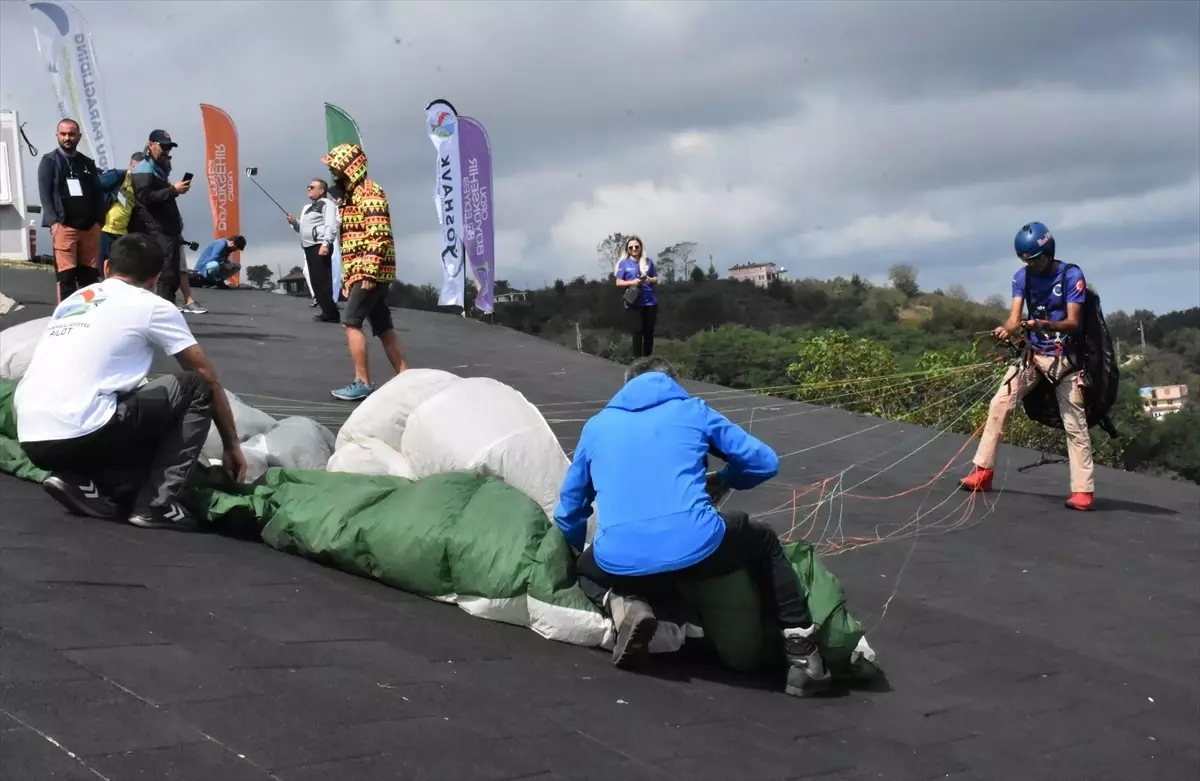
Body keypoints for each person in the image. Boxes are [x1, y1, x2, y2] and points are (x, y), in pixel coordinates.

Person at [553, 356, 831, 698]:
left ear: (626, 386)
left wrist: (568, 556)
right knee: (764, 542)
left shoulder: (597, 426)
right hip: (698, 548)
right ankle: (803, 657)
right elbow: (764, 462)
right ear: (672, 382)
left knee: (587, 568)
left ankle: (626, 603)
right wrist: (727, 477)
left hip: (621, 558)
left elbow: (570, 510)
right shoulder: (694, 411)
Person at [14, 233, 246, 531]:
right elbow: (205, 375)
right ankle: (158, 504)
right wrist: (232, 444)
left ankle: (83, 480)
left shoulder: (72, 300)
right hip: (82, 428)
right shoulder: (152, 305)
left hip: (31, 434)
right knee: (193, 387)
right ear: (155, 279)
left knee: (123, 397)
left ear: (107, 267)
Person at [959, 221, 1095, 511]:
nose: (1031, 265)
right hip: (1033, 356)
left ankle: (1083, 490)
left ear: (1048, 251)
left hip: (1065, 361)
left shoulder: (1071, 275)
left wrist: (1043, 324)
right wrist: (1006, 329)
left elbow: (1073, 322)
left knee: (1075, 424)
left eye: (1035, 259)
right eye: (1026, 260)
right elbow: (1014, 317)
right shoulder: (1022, 278)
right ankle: (983, 472)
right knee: (999, 404)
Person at [321, 143, 408, 401]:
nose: (333, 172)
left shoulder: (370, 192)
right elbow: (351, 241)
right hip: (364, 271)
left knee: (351, 322)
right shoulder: (352, 195)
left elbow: (377, 236)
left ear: (349, 168)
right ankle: (407, 379)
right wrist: (350, 277)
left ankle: (363, 381)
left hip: (371, 272)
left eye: (335, 167)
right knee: (383, 327)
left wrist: (367, 274)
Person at [37, 119, 106, 303]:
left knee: (90, 276)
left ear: (79, 136)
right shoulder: (50, 161)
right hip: (64, 226)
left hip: (90, 227)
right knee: (66, 276)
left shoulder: (87, 163)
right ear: (57, 135)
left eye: (71, 134)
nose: (67, 138)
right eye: (63, 134)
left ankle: (88, 316)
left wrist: (100, 221)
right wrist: (53, 222)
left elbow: (98, 193)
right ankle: (66, 318)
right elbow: (45, 194)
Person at [128, 129, 191, 303]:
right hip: (155, 229)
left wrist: (174, 192)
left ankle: (167, 307)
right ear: (151, 145)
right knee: (165, 273)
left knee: (171, 274)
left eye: (169, 148)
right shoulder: (144, 169)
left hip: (167, 229)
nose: (166, 151)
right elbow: (145, 198)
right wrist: (173, 190)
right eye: (163, 147)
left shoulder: (159, 168)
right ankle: (162, 310)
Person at [286, 179, 340, 323]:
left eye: (312, 187)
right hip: (309, 247)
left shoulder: (327, 204)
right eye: (308, 186)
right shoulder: (308, 207)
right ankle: (326, 311)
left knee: (323, 280)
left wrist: (326, 243)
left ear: (321, 190)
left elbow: (330, 225)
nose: (308, 189)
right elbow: (302, 229)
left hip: (319, 245)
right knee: (315, 281)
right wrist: (294, 223)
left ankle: (332, 313)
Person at [98, 151, 145, 272]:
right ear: (130, 165)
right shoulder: (119, 176)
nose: (137, 172)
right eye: (135, 168)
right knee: (100, 269)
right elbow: (97, 184)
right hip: (105, 230)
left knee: (116, 270)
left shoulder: (141, 186)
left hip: (122, 233)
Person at [615, 236, 659, 358]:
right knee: (637, 331)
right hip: (633, 303)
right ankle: (637, 362)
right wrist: (632, 282)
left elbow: (656, 279)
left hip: (650, 302)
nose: (634, 249)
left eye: (636, 246)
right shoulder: (624, 264)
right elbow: (618, 282)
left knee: (649, 333)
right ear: (627, 249)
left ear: (640, 247)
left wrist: (649, 279)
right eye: (631, 247)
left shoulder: (648, 262)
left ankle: (647, 360)